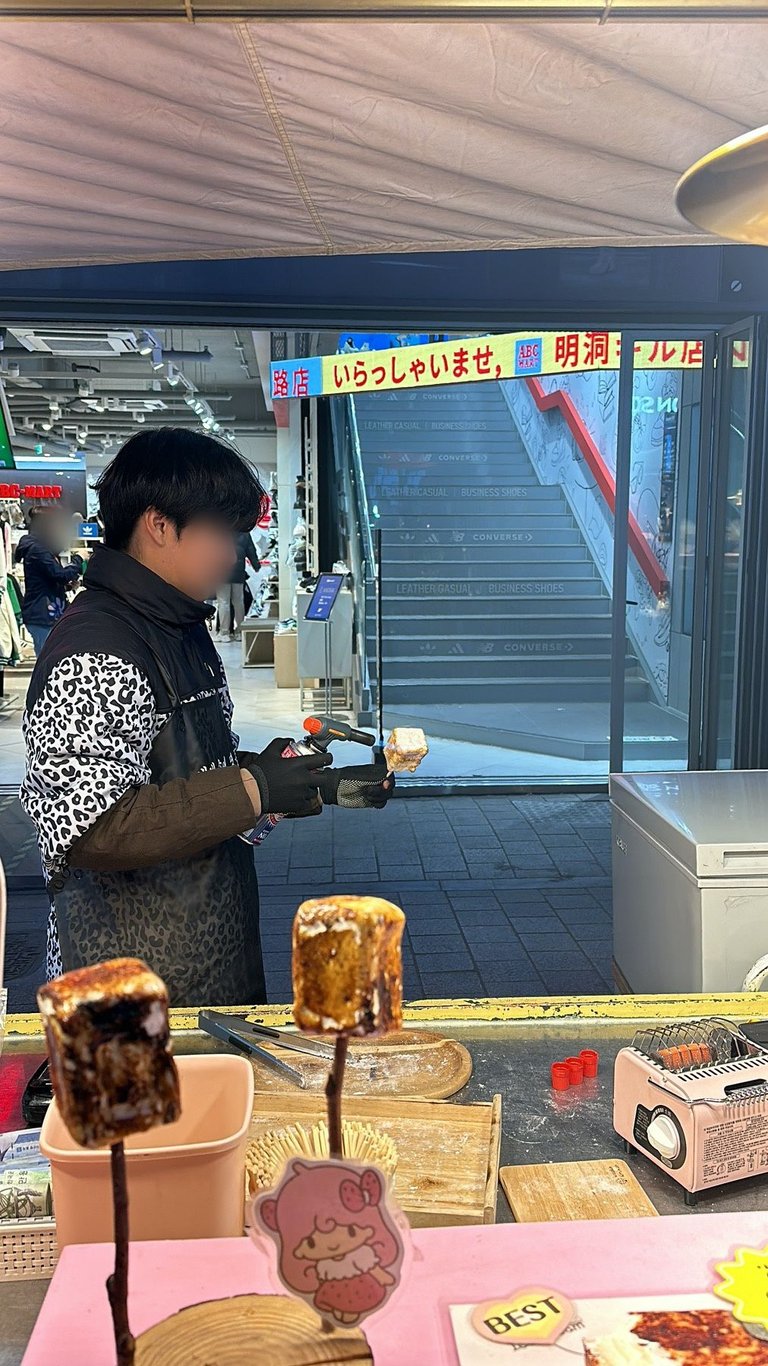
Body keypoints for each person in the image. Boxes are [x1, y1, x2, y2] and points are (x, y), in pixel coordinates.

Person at [20, 428, 392, 1005]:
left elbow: (184, 772)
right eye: (222, 533)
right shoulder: (98, 647)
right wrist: (253, 787)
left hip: (200, 953)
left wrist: (292, 782)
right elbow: (91, 827)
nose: (232, 555)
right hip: (122, 986)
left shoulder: (178, 625)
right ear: (159, 525)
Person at [14, 507, 81, 655]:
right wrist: (78, 560)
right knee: (46, 662)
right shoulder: (38, 550)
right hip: (42, 615)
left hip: (48, 613)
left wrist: (68, 587)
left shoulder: (43, 549)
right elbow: (59, 574)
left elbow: (47, 581)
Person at [215, 529, 260, 641]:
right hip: (239, 572)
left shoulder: (220, 532)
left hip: (222, 572)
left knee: (223, 602)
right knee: (238, 602)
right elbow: (251, 550)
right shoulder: (244, 533)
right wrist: (256, 565)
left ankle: (224, 633)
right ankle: (240, 631)